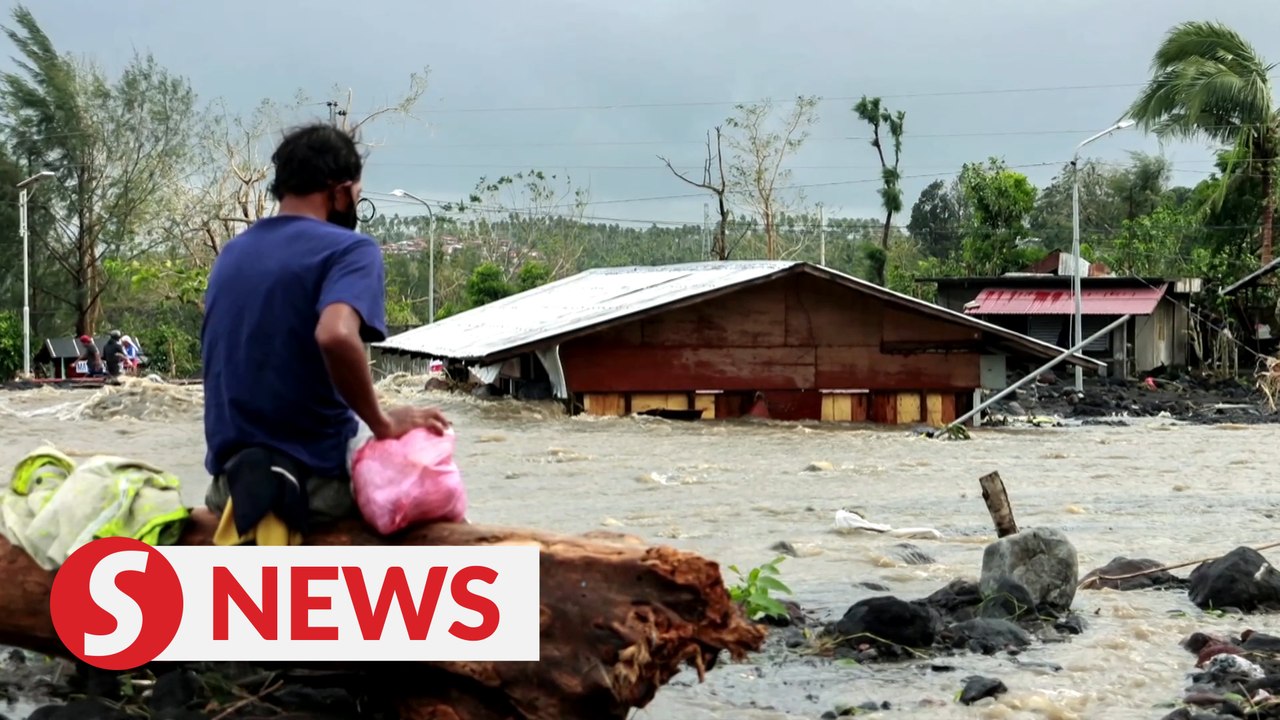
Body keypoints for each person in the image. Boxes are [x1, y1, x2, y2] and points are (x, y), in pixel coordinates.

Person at [201, 122, 450, 547]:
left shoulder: (232, 253)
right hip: (312, 489)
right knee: (426, 492)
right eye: (356, 193)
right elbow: (335, 335)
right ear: (338, 191)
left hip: (228, 489)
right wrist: (383, 423)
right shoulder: (350, 250)